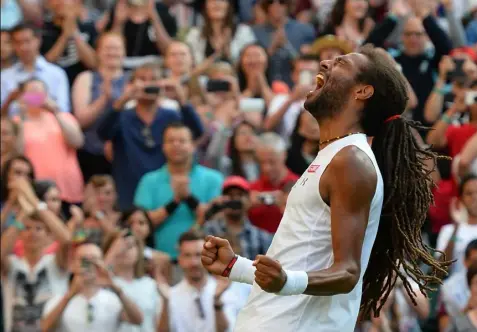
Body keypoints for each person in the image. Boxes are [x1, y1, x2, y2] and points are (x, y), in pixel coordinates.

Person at [201, 45, 449, 331]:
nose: (325, 63)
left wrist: (286, 282)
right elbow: (299, 258)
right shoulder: (334, 155)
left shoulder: (351, 161)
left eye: (341, 63)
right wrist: (236, 267)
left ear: (362, 92)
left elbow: (348, 272)